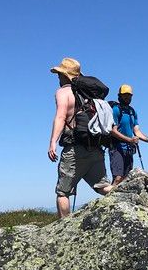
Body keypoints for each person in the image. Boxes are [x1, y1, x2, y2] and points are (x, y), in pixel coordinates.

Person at [47, 57, 111, 218]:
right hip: (95, 146)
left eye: (59, 74)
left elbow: (61, 116)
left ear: (65, 75)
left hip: (74, 149)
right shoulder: (90, 95)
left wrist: (53, 142)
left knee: (63, 192)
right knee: (103, 187)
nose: (58, 77)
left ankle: (64, 228)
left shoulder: (63, 92)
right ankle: (130, 203)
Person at [108, 84, 148, 186]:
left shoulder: (132, 111)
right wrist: (130, 140)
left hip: (129, 149)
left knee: (126, 178)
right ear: (120, 96)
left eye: (129, 95)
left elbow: (137, 131)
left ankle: (119, 196)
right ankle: (111, 195)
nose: (127, 97)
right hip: (117, 147)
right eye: (125, 95)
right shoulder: (116, 110)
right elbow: (113, 131)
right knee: (118, 178)